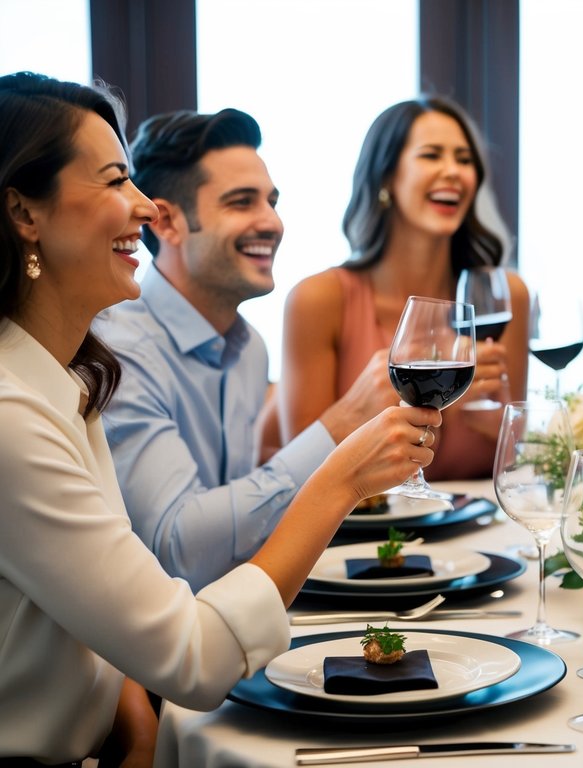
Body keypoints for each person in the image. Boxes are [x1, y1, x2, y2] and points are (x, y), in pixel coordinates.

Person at [0, 73, 439, 764]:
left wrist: (130, 708)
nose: (142, 206)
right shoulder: (15, 416)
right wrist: (335, 472)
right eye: (116, 181)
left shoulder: (69, 373)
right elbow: (191, 636)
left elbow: (85, 591)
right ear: (24, 213)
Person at [94, 108, 399, 592]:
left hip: (230, 620)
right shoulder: (119, 349)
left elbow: (234, 540)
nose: (272, 222)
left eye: (272, 201)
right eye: (242, 203)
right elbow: (177, 548)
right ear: (167, 221)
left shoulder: (250, 347)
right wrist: (340, 425)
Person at [278, 96, 525, 480]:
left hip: (483, 534)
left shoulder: (502, 298)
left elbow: (517, 457)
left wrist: (502, 421)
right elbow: (298, 477)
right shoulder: (317, 300)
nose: (453, 172)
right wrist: (446, 410)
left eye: (464, 159)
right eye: (431, 155)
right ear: (386, 177)